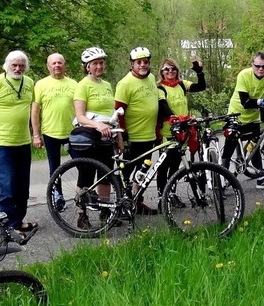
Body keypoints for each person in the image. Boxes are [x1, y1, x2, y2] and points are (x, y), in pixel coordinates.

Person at [0, 50, 37, 233]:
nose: (18, 68)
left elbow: (31, 108)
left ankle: (18, 220)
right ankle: (7, 227)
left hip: (22, 141)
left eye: (21, 65)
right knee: (6, 185)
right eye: (14, 65)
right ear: (7, 65)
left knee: (22, 184)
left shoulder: (29, 83)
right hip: (1, 141)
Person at [114, 47, 171, 215]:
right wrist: (123, 138)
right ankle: (121, 205)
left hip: (150, 135)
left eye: (145, 62)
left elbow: (154, 104)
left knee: (143, 172)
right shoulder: (125, 83)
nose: (142, 65)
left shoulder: (152, 78)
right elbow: (119, 112)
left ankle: (137, 202)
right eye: (139, 62)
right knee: (126, 173)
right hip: (134, 136)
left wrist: (158, 130)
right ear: (132, 65)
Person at [222, 52, 264, 190]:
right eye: (257, 66)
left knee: (256, 146)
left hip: (253, 117)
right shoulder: (244, 75)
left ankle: (261, 179)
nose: (261, 69)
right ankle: (222, 181)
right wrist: (262, 101)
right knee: (228, 150)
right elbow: (245, 102)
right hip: (236, 115)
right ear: (252, 65)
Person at [73, 47, 120, 229]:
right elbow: (81, 116)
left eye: (101, 63)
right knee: (86, 175)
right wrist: (98, 125)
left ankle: (105, 212)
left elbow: (111, 114)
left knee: (106, 174)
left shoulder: (107, 85)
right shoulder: (83, 85)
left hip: (107, 135)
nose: (99, 66)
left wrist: (119, 138)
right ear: (87, 67)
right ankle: (81, 215)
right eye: (95, 64)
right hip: (90, 135)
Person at [155, 56, 206, 207]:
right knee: (164, 165)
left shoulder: (182, 85)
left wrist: (199, 72)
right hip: (168, 132)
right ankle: (161, 197)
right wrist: (173, 117)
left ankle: (172, 194)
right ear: (162, 72)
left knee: (176, 165)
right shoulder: (160, 87)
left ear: (177, 71)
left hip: (183, 130)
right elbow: (163, 105)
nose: (170, 71)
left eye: (173, 69)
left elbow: (201, 86)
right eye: (166, 69)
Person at [31, 53, 77, 213]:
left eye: (60, 63)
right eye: (53, 63)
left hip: (72, 132)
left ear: (64, 65)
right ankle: (58, 196)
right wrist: (36, 135)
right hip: (50, 132)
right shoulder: (41, 85)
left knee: (82, 163)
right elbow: (35, 111)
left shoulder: (74, 84)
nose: (57, 65)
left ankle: (84, 192)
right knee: (54, 167)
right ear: (48, 66)